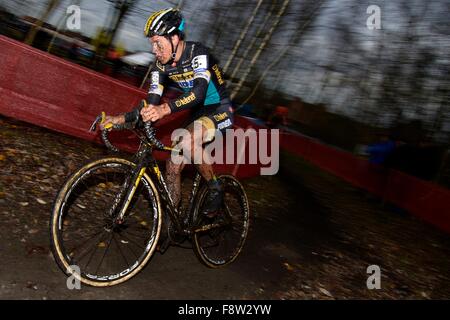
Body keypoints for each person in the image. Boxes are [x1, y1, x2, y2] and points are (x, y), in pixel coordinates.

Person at [101, 8, 233, 217]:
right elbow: (151, 104)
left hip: (219, 109)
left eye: (157, 43)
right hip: (195, 111)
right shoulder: (160, 67)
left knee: (188, 141)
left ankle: (215, 188)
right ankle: (172, 220)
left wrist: (165, 108)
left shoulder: (198, 54)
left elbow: (199, 92)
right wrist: (121, 118)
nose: (154, 50)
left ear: (174, 38)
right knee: (172, 164)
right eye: (152, 44)